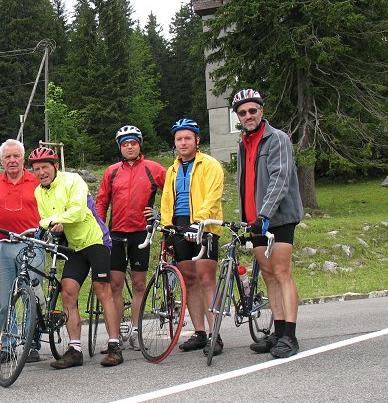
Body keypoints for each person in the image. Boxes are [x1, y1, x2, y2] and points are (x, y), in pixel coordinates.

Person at [28, 146, 123, 368]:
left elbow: (79, 211)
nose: (41, 172)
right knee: (68, 292)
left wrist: (55, 220)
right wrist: (54, 225)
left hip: (96, 240)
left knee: (102, 289)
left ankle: (114, 346)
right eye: (36, 169)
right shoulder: (38, 192)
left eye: (45, 167)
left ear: (55, 167)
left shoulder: (73, 180)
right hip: (74, 247)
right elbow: (45, 218)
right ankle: (75, 350)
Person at [232, 89, 304, 358]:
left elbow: (281, 178)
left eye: (253, 110)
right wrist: (248, 219)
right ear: (238, 116)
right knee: (269, 275)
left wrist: (265, 215)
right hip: (256, 222)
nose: (248, 116)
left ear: (261, 111)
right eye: (242, 112)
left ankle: (291, 337)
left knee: (282, 272)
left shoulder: (277, 139)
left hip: (279, 217)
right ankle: (279, 331)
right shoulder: (243, 143)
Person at [96, 125, 166, 349]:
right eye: (125, 144)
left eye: (133, 143)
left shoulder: (153, 168)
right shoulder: (112, 171)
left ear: (139, 145)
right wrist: (99, 227)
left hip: (140, 232)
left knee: (139, 283)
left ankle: (136, 329)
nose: (129, 147)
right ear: (120, 147)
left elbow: (172, 192)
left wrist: (161, 214)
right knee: (115, 285)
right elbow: (102, 202)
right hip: (116, 233)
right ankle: (115, 333)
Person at [160, 119, 225, 357]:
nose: (183, 143)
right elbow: (167, 199)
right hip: (179, 225)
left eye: (188, 138)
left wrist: (200, 221)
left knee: (206, 278)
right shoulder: (172, 169)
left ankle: (215, 334)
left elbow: (213, 196)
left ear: (197, 140)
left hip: (204, 225)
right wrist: (167, 226)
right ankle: (199, 332)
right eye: (179, 139)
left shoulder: (210, 164)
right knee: (188, 279)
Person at [0, 139, 44, 363]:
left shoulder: (35, 181)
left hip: (32, 245)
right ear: (1, 161)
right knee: (5, 300)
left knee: (32, 297)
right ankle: (7, 346)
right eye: (7, 157)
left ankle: (31, 344)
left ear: (23, 158)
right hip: (1, 245)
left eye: (16, 156)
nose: (12, 161)